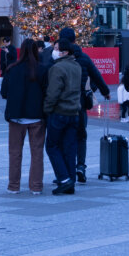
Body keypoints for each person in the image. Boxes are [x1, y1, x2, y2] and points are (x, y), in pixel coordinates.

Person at [1, 39, 46, 194]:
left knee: (15, 153)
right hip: (36, 117)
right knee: (37, 152)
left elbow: (4, 93)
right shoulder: (42, 69)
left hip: (16, 117)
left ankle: (13, 186)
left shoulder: (12, 69)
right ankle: (36, 186)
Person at [66, 29, 111, 184]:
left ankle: (67, 170)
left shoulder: (60, 59)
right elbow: (96, 75)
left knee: (66, 137)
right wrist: (105, 91)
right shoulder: (84, 58)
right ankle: (80, 167)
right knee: (81, 135)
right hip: (81, 103)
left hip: (64, 103)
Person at [43, 40, 83, 195]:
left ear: (65, 52)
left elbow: (53, 93)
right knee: (69, 148)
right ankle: (70, 182)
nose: (55, 51)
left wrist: (47, 109)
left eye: (58, 49)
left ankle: (64, 179)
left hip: (59, 112)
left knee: (52, 146)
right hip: (74, 112)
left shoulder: (57, 68)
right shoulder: (77, 66)